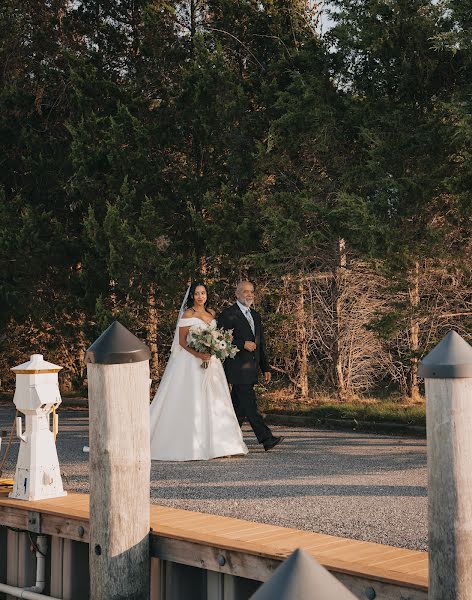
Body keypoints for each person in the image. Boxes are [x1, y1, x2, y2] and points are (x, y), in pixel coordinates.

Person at [149, 281, 248, 461]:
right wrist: (198, 354)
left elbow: (216, 337)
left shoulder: (211, 314)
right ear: (192, 296)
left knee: (216, 400)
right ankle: (191, 445)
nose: (200, 296)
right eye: (197, 293)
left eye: (203, 293)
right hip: (191, 363)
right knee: (194, 399)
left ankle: (222, 444)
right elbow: (181, 342)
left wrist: (215, 348)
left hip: (212, 363)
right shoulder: (188, 314)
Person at [218, 281, 284, 451]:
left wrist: (266, 368)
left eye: (251, 291)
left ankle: (225, 440)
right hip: (237, 368)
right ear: (237, 294)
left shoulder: (255, 316)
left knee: (238, 409)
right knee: (251, 405)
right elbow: (220, 339)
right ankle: (266, 438)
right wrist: (242, 344)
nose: (249, 294)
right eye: (245, 291)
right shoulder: (228, 314)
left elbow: (261, 344)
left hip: (252, 368)